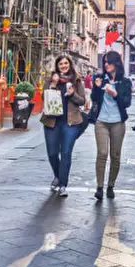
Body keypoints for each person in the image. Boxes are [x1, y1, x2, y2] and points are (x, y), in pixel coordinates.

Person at [90, 51, 133, 200]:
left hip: (117, 122)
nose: (106, 64)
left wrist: (115, 94)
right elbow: (94, 99)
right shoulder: (99, 78)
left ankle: (111, 186)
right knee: (102, 153)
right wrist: (96, 88)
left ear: (117, 63)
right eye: (105, 62)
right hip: (101, 121)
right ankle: (99, 187)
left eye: (109, 62)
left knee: (115, 155)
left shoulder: (125, 82)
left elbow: (127, 102)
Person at [42, 55, 87, 197]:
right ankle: (57, 175)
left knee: (66, 153)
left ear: (70, 65)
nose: (63, 66)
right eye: (60, 64)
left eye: (66, 63)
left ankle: (62, 185)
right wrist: (54, 85)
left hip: (71, 122)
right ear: (57, 66)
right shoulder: (50, 79)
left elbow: (82, 101)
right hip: (52, 121)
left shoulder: (77, 80)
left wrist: (72, 94)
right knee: (52, 153)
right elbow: (44, 97)